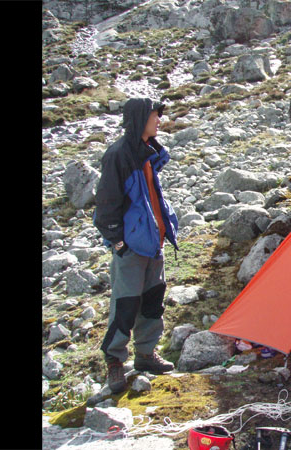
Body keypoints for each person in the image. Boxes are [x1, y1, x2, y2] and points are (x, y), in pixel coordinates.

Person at [93, 98, 180, 394]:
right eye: (155, 115)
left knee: (153, 301)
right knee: (125, 306)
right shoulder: (119, 154)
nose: (158, 120)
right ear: (141, 117)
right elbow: (106, 204)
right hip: (131, 246)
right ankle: (115, 362)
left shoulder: (148, 151)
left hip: (153, 242)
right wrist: (118, 242)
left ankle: (145, 355)